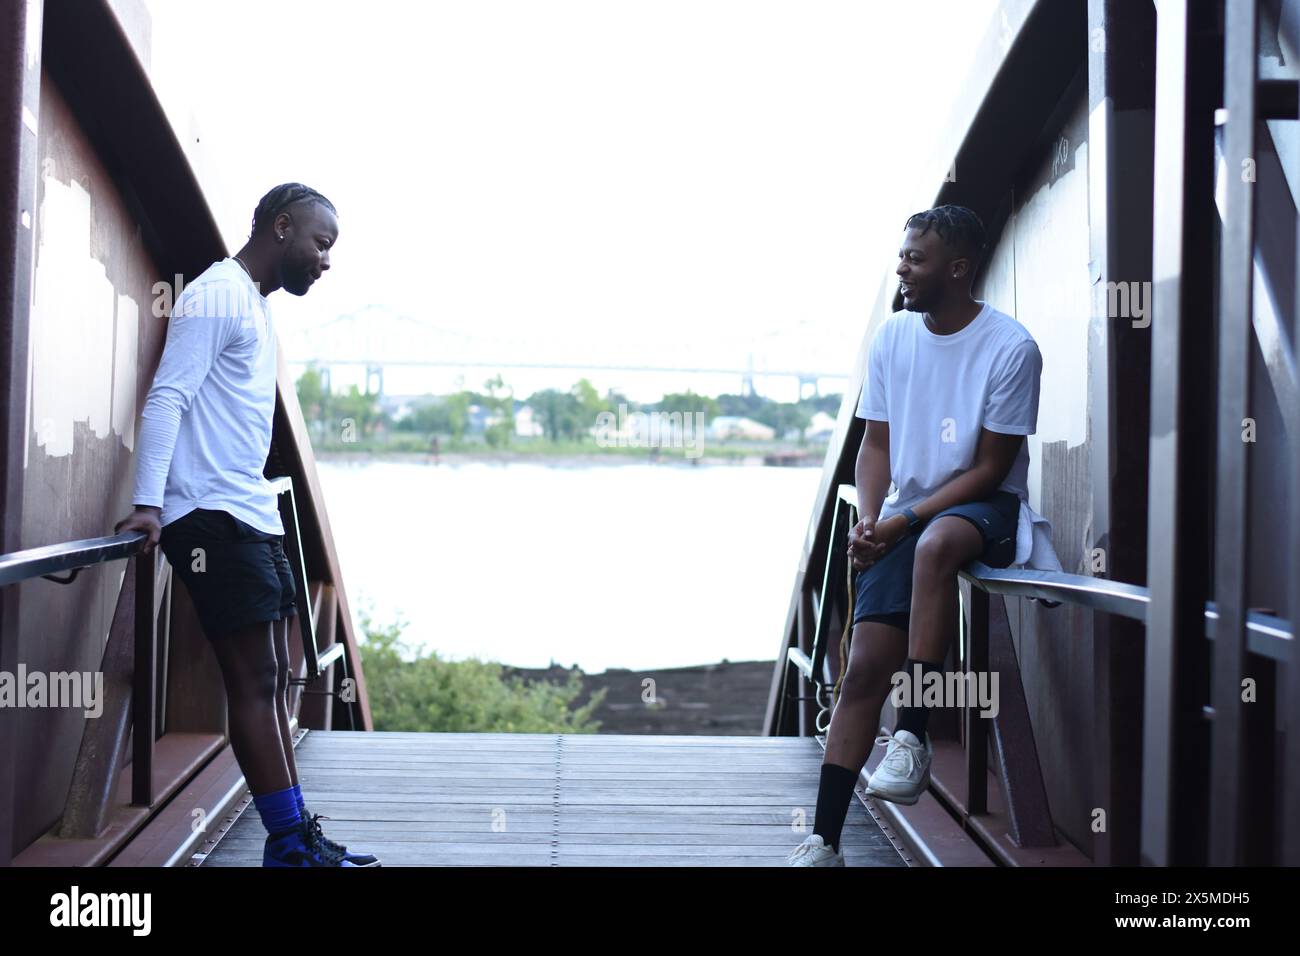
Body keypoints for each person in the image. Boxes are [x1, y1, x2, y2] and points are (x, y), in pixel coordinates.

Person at [114, 183, 379, 867]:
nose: (325, 261)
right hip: (209, 516)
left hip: (250, 513)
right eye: (321, 244)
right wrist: (149, 506)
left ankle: (299, 836)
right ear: (282, 227)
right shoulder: (217, 294)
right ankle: (289, 846)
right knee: (255, 683)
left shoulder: (254, 307)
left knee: (278, 677)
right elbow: (168, 395)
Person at [787, 205, 1047, 866]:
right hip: (905, 512)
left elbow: (991, 466)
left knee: (934, 545)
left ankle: (912, 735)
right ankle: (822, 840)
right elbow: (874, 446)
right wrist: (872, 519)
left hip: (981, 505)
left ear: (958, 269)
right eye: (902, 255)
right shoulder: (893, 338)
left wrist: (905, 521)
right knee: (865, 667)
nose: (902, 268)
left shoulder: (1010, 347)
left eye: (916, 258)